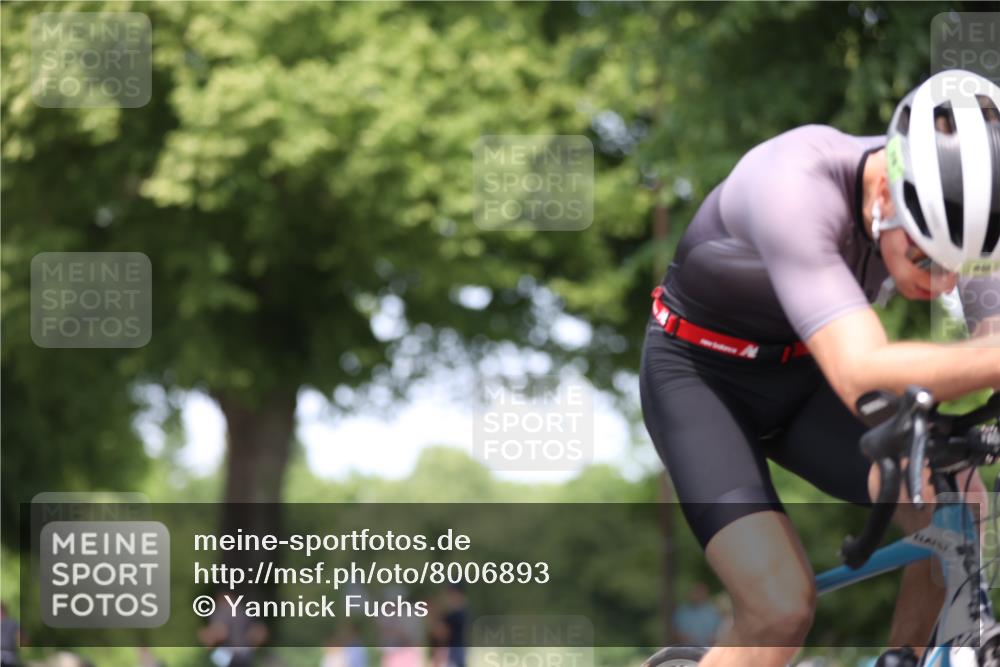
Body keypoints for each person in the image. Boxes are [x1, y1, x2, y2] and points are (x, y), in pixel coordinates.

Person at [639, 69, 1000, 667]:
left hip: (807, 377)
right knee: (780, 608)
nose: (940, 281)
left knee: (956, 499)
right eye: (922, 255)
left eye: (960, 264)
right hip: (702, 380)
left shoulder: (968, 207)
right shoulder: (794, 184)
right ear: (886, 193)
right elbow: (862, 368)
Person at [672, 583, 722, 647]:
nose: (697, 595)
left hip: (707, 650)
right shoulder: (682, 611)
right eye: (696, 592)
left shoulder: (713, 612)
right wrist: (683, 637)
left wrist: (714, 638)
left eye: (700, 592)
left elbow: (719, 633)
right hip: (686, 649)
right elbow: (676, 633)